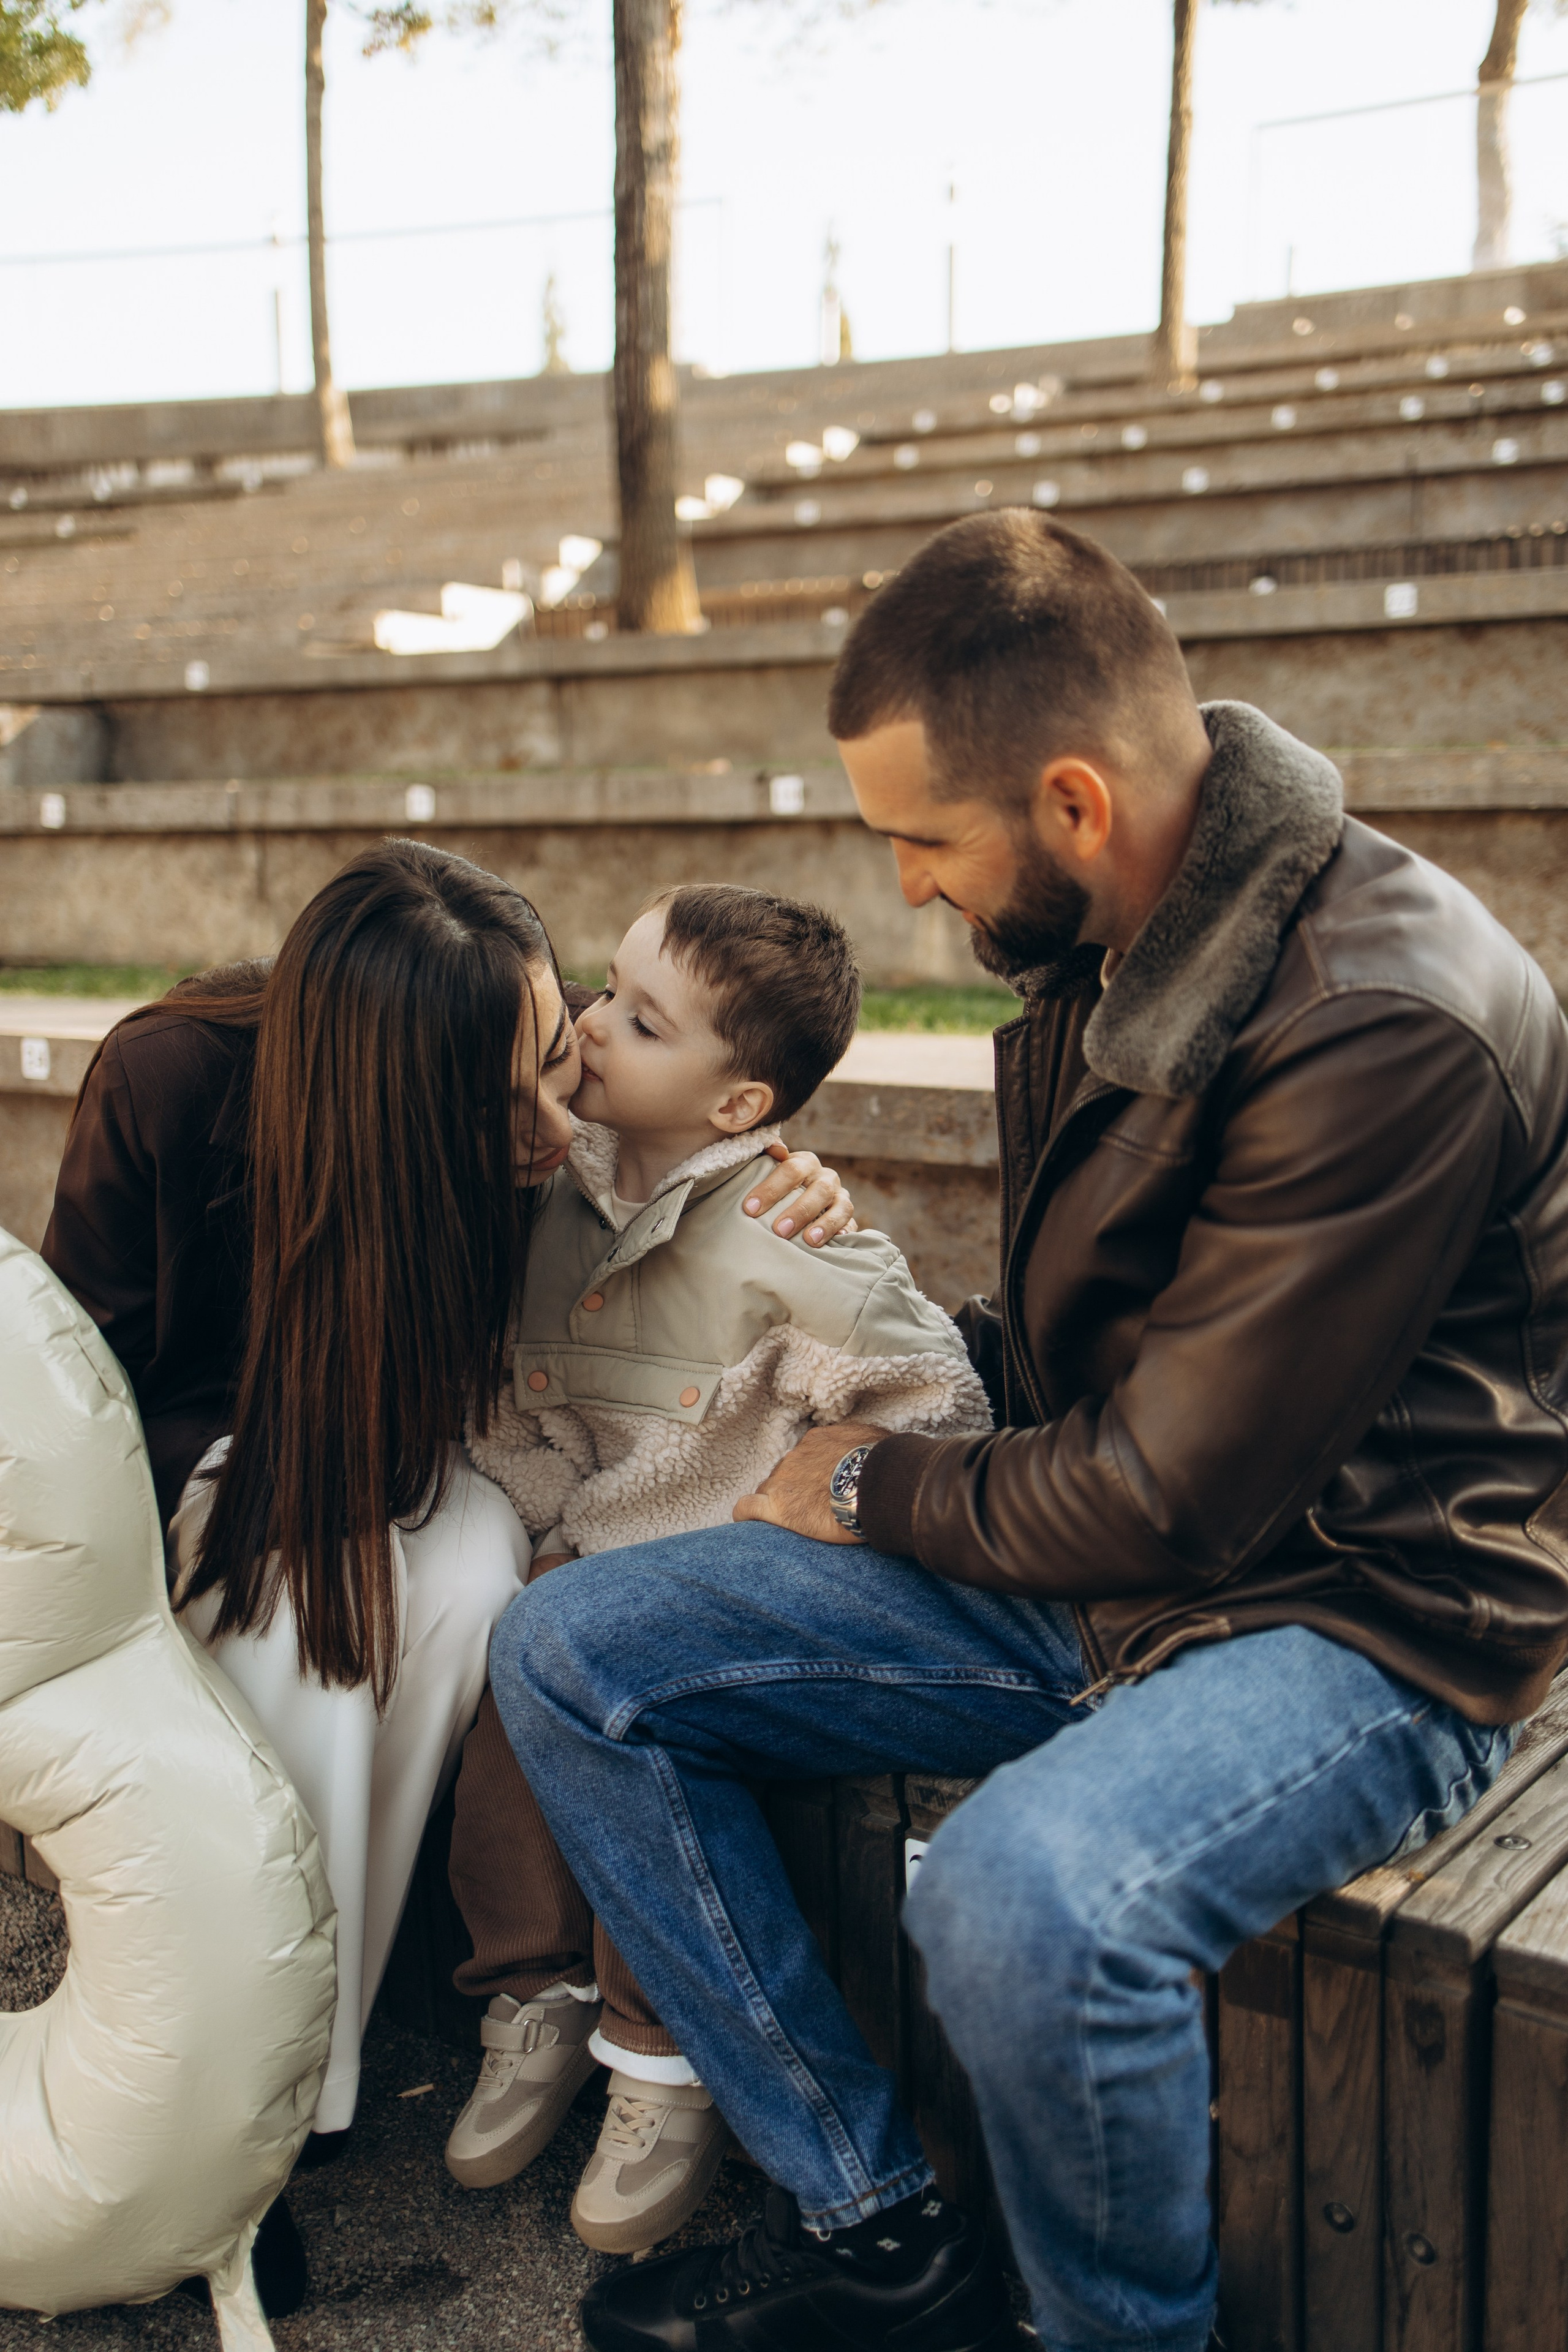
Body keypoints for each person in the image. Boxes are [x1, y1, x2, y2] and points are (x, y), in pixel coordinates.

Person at [489, 508, 1568, 2352]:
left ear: (1071, 800)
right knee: (573, 1651)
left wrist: (873, 1479)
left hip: (1366, 1621)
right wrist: (866, 1290)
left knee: (1023, 1899)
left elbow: (1168, 1484)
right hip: (1113, 1573)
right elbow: (1123, 1369)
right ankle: (888, 2233)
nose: (908, 888)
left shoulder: (1380, 1020)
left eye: (924, 838)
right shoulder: (1118, 931)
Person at [39, 836, 857, 2314]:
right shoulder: (171, 1081)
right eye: (505, 1101)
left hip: (415, 1472)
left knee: (477, 1574)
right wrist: (255, 1463)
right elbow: (82, 1398)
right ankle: (213, 2114)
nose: (552, 1122)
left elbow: (687, 1190)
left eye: (558, 1061)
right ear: (390, 1092)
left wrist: (782, 1190)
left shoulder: (544, 1137)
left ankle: (293, 2100)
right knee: (307, 1628)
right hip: (208, 1486)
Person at [451, 881, 990, 2251]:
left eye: (639, 1019)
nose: (590, 1023)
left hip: (703, 1577)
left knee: (639, 1702)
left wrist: (793, 1510)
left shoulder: (788, 1235)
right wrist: (533, 1514)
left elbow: (936, 1406)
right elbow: (518, 1408)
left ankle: (657, 2058)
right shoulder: (544, 1185)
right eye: (604, 990)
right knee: (504, 1686)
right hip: (577, 1543)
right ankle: (532, 1995)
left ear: (741, 1106)